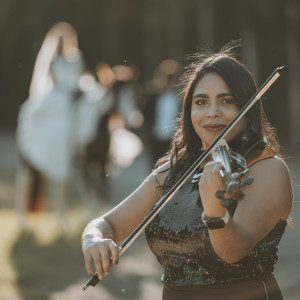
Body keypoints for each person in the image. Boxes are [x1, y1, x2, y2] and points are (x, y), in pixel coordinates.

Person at [81, 43, 293, 299]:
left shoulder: (267, 169)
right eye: (201, 102)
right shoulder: (172, 171)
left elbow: (234, 250)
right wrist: (93, 239)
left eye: (226, 101)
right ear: (189, 110)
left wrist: (215, 213)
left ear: (247, 108)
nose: (212, 113)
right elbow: (108, 224)